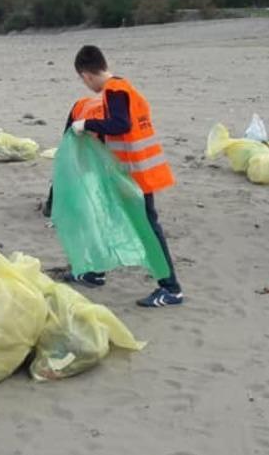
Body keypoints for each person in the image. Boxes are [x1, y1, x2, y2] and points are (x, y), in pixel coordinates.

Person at [68, 45, 185, 307]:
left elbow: (121, 124)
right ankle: (96, 272)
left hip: (136, 176)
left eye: (83, 80)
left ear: (86, 75)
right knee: (105, 219)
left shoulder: (115, 90)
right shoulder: (123, 88)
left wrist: (85, 125)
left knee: (148, 230)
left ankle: (171, 289)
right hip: (128, 174)